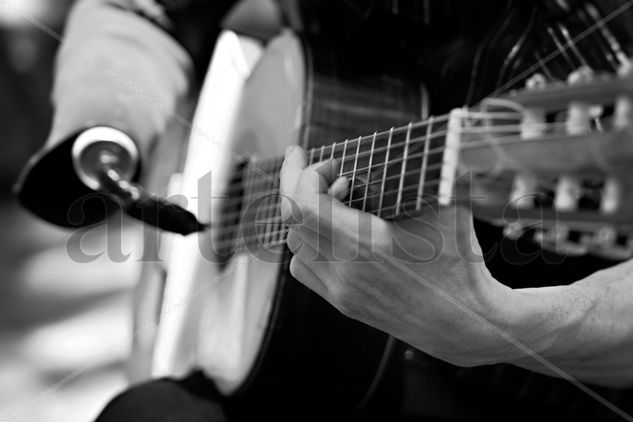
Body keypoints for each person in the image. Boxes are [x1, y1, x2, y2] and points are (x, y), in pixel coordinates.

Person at [15, 0, 633, 420]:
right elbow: (144, 10)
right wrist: (111, 126)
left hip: (544, 380)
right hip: (299, 331)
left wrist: (508, 329)